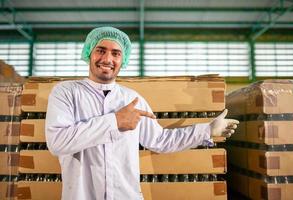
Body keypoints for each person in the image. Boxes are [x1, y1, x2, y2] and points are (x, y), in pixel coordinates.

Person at [45, 26, 239, 200]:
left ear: (123, 59)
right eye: (100, 51)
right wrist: (115, 122)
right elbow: (57, 142)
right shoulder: (66, 92)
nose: (107, 59)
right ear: (89, 53)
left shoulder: (132, 99)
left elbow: (161, 140)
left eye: (115, 53)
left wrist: (207, 130)